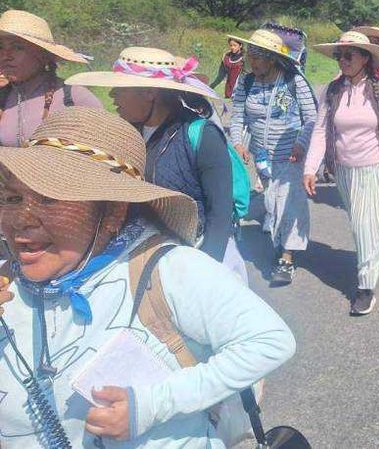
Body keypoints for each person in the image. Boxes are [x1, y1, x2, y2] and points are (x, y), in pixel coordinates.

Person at [0, 107, 295, 448]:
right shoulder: (9, 286)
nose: (21, 220)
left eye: (51, 200)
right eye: (12, 197)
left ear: (112, 212)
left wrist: (152, 405)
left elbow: (270, 340)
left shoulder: (164, 268)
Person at [65, 47, 246, 282]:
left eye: (120, 89)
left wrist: (205, 274)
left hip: (202, 258)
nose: (111, 96)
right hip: (152, 258)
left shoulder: (202, 136)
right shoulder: (130, 134)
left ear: (150, 92)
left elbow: (220, 214)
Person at [303, 31, 379, 316]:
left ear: (365, 58)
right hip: (346, 171)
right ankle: (366, 281)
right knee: (361, 227)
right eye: (339, 55)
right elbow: (320, 130)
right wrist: (310, 168)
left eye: (349, 55)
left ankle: (365, 281)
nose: (342, 60)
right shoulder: (332, 91)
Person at [229, 28, 317, 286]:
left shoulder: (294, 80)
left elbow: (312, 118)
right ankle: (281, 244)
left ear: (272, 58)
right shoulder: (246, 82)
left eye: (258, 57)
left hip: (291, 156)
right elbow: (237, 116)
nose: (252, 62)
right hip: (262, 156)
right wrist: (237, 142)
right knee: (271, 202)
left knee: (289, 204)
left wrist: (301, 144)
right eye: (250, 55)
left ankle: (287, 258)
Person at [0, 10, 102, 147]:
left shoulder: (74, 97)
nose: (6, 55)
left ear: (43, 55)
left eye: (17, 47)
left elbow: (105, 154)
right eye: (1, 47)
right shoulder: (4, 96)